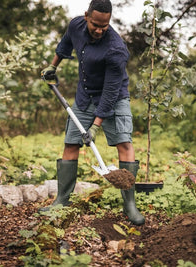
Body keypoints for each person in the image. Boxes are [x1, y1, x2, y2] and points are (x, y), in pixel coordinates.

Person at [40, 0, 144, 225]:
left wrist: (95, 126)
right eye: (95, 24)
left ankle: (129, 205)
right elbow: (65, 43)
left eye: (104, 26)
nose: (99, 30)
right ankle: (62, 200)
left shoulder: (116, 49)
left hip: (114, 98)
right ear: (86, 16)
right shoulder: (76, 25)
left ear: (109, 22)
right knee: (71, 143)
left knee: (124, 144)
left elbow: (109, 92)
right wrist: (53, 65)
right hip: (85, 96)